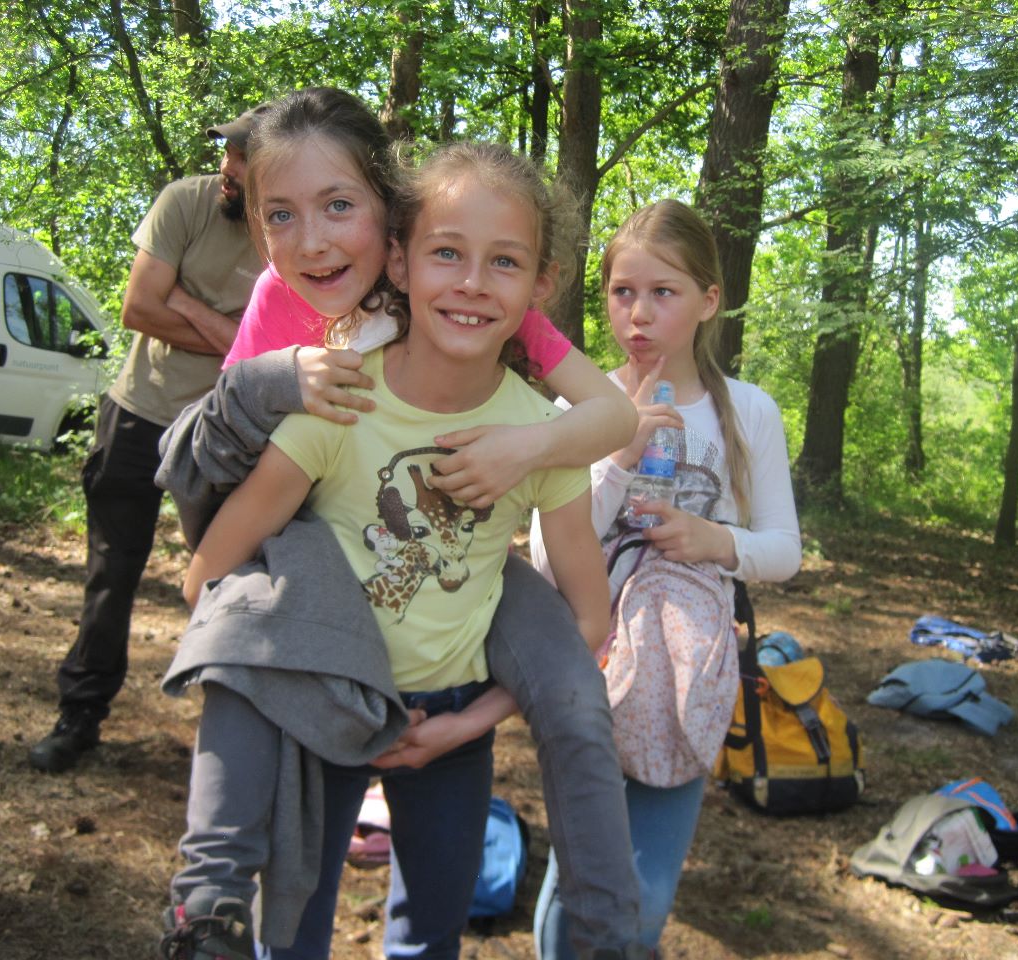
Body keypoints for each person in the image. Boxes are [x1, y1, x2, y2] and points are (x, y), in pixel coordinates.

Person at [155, 88, 647, 960]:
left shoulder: (524, 378)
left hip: (451, 709)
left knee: (435, 930)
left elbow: (605, 442)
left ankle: (610, 935)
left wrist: (526, 449)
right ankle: (209, 903)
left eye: (338, 205)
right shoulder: (330, 379)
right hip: (328, 690)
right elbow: (217, 510)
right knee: (292, 928)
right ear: (405, 260)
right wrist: (246, 619)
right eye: (446, 254)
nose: (469, 280)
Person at [530, 199, 802, 957]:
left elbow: (784, 549)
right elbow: (551, 560)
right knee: (579, 884)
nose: (638, 314)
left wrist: (714, 539)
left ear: (709, 300)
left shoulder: (746, 412)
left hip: (688, 676)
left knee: (645, 901)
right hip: (588, 671)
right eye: (622, 292)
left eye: (663, 292)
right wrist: (617, 453)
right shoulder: (577, 404)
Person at [27, 105, 269, 774]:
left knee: (232, 582)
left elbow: (260, 354)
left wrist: (182, 303)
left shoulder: (288, 240)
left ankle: (239, 737)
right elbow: (139, 308)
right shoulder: (184, 202)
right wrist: (215, 322)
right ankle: (79, 715)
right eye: (228, 150)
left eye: (245, 156)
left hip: (227, 434)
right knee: (112, 576)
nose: (230, 166)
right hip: (137, 414)